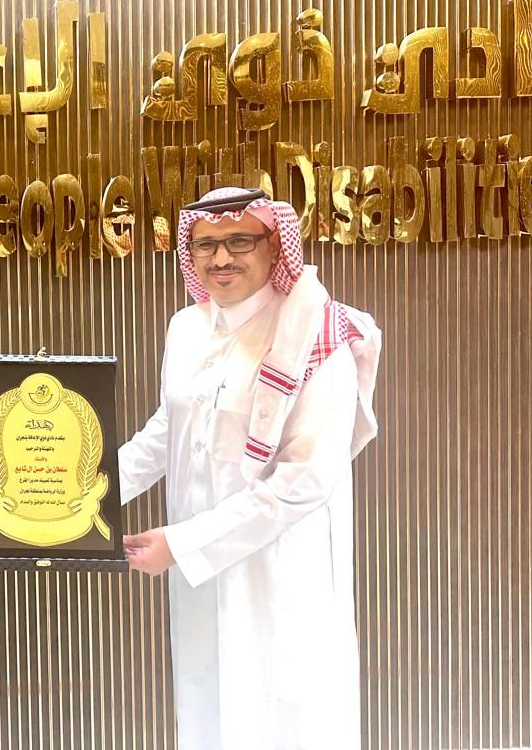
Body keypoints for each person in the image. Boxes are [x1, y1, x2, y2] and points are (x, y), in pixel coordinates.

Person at [120, 186, 382, 750]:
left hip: (278, 573)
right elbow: (169, 429)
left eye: (239, 241)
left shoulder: (317, 334)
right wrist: (75, 495)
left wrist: (184, 544)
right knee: (207, 707)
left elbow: (303, 482)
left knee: (281, 720)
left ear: (274, 245)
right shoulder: (186, 328)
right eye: (205, 245)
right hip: (198, 573)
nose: (221, 258)